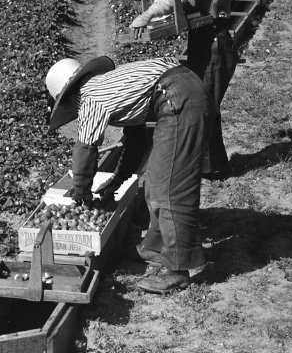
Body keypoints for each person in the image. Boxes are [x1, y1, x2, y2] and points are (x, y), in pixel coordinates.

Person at [45, 54, 219, 293]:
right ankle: (156, 247)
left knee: (168, 189)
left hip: (177, 98)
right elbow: (136, 142)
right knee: (155, 184)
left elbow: (85, 149)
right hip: (180, 90)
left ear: (68, 98)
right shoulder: (109, 85)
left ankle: (178, 270)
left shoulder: (90, 98)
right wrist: (117, 181)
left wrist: (81, 191)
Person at [129, 0, 236, 177]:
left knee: (206, 102)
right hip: (200, 37)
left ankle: (212, 168)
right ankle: (205, 164)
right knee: (199, 99)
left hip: (215, 39)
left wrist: (149, 15)